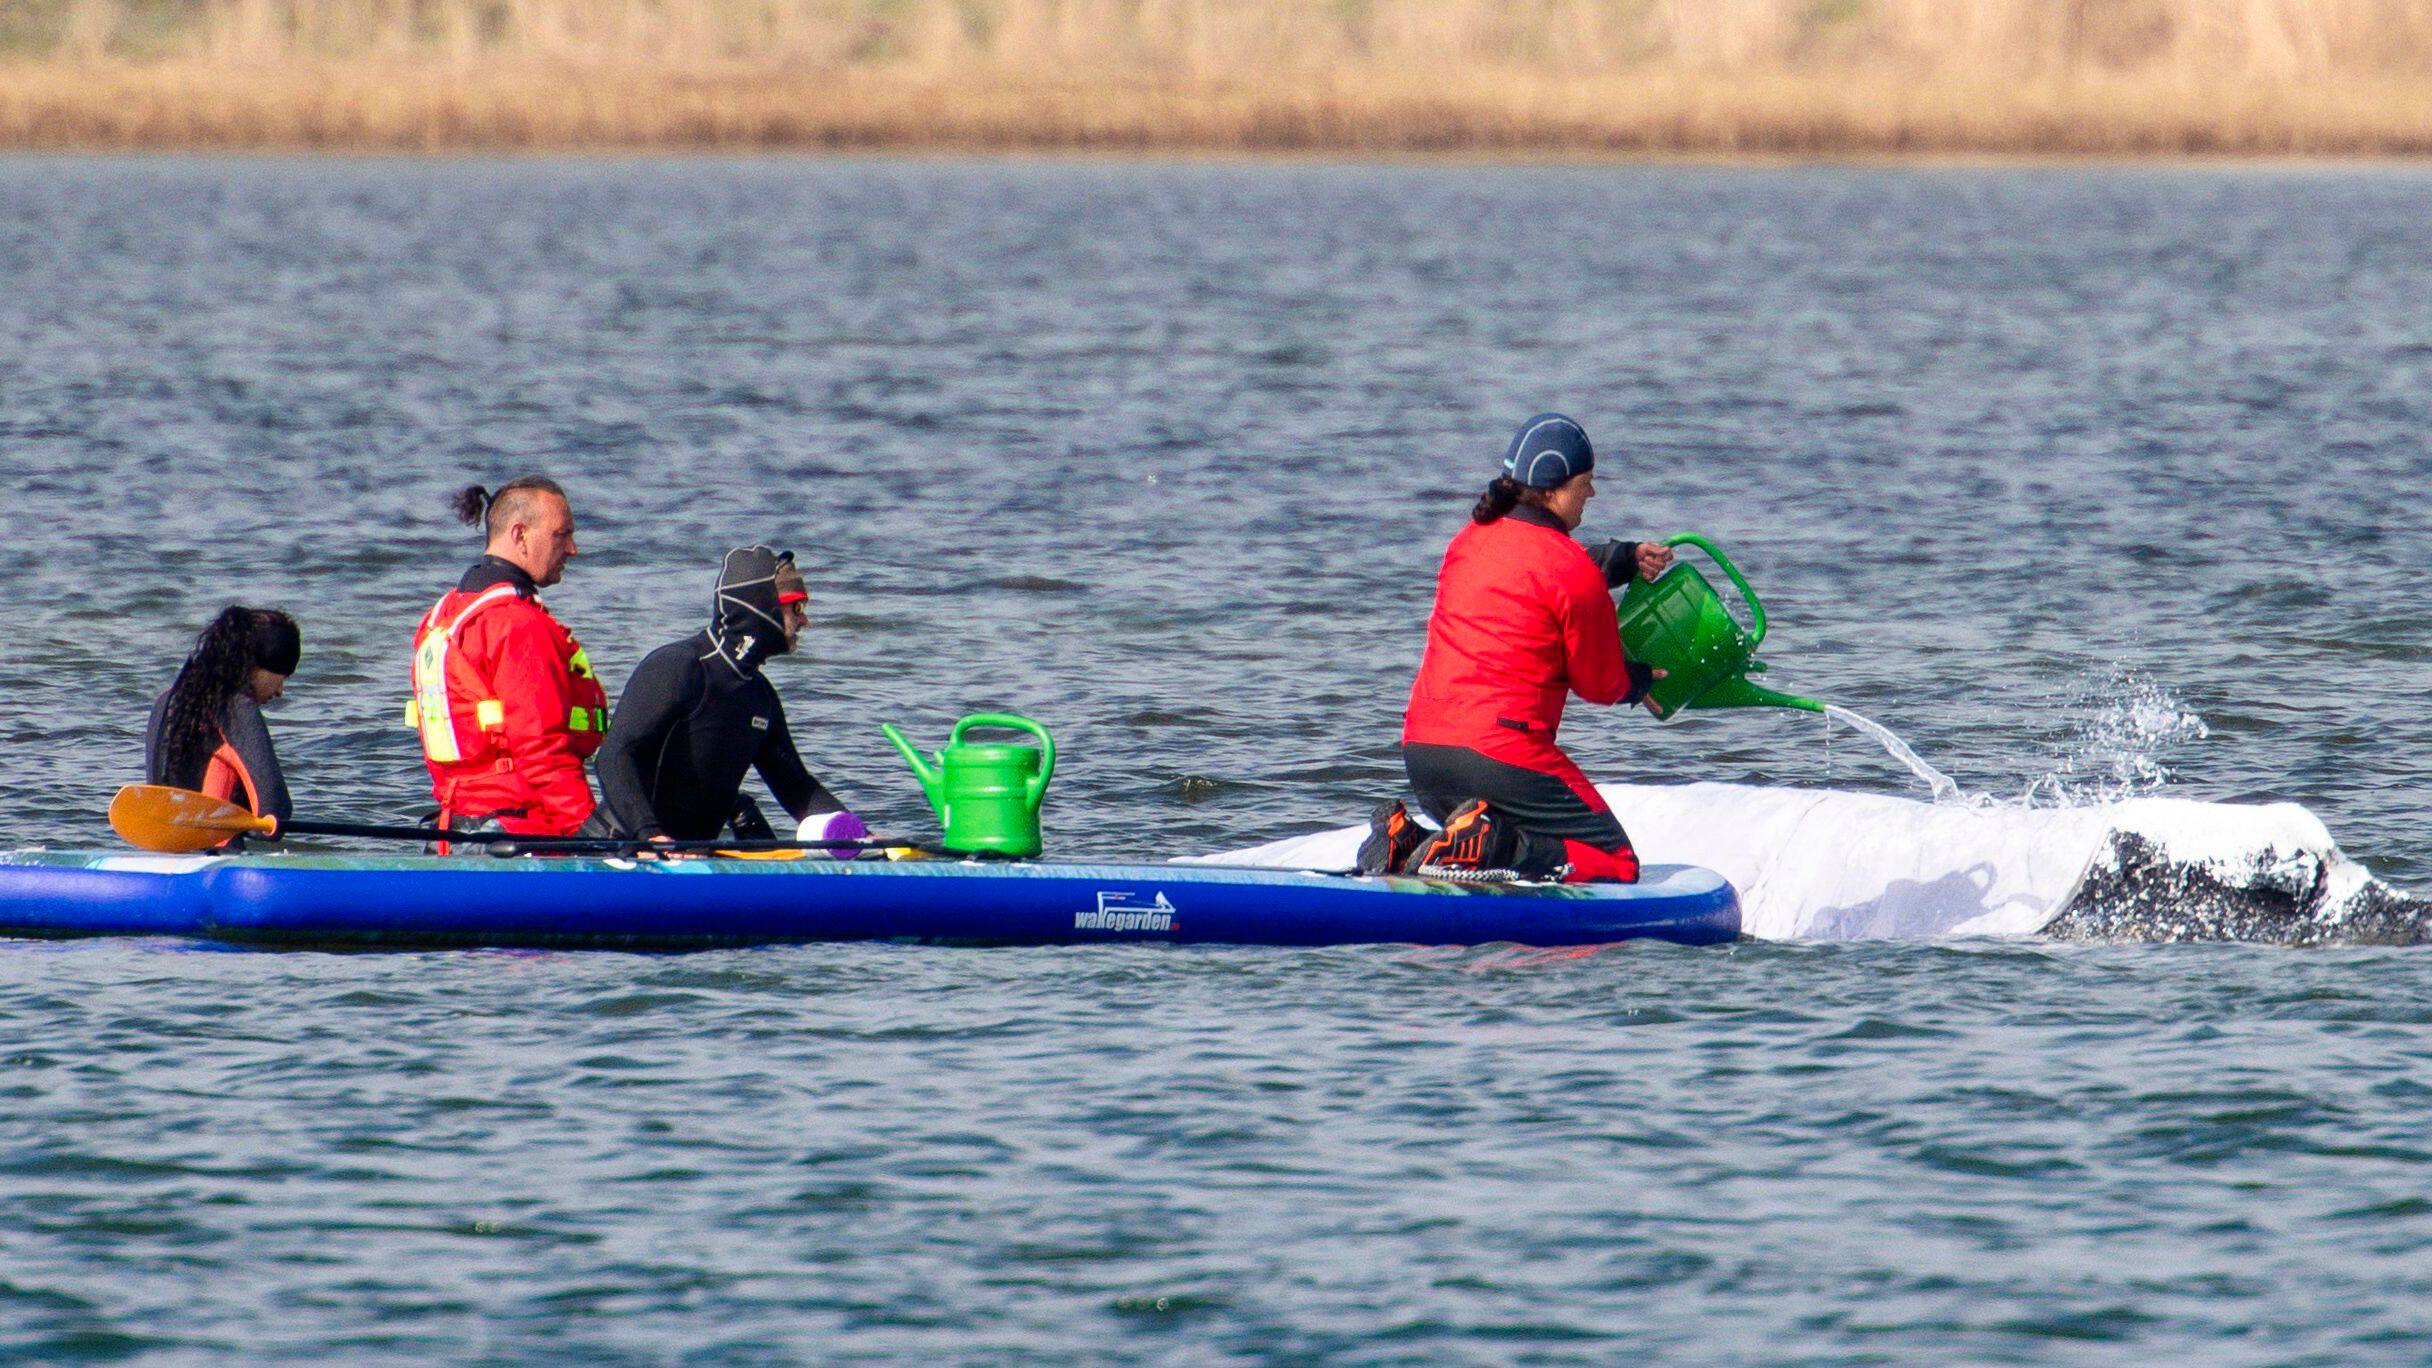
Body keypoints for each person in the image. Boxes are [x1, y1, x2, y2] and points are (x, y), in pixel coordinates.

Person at [1363, 413, 1672, 884]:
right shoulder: (1570, 571)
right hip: (1501, 755)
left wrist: (1621, 559)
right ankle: (1493, 845)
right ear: (1550, 491)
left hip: (1424, 750)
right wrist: (1640, 680)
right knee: (1616, 863)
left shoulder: (1468, 543)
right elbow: (1598, 683)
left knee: (1495, 829)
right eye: (1585, 482)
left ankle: (1406, 841)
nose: (1592, 493)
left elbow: (1536, 572)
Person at [593, 546, 866, 851]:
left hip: (689, 857)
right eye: (796, 607)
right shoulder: (677, 668)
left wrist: (861, 836)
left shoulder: (759, 695)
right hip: (616, 850)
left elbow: (796, 787)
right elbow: (614, 757)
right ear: (761, 606)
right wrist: (650, 836)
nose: (805, 621)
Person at [409, 476, 608, 841]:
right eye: (561, 535)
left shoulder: (442, 617)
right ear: (519, 535)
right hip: (525, 834)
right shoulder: (519, 624)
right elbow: (542, 751)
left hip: (456, 831)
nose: (573, 549)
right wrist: (593, 832)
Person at [145, 607, 301, 837]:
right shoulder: (235, 708)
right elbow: (274, 811)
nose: (280, 690)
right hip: (220, 857)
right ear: (255, 665)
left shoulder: (165, 701)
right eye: (283, 676)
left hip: (166, 850)